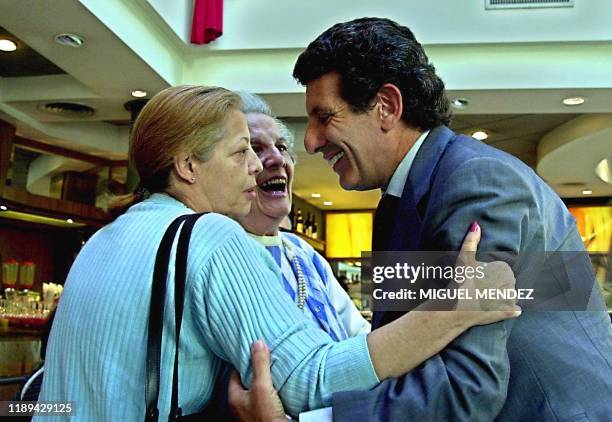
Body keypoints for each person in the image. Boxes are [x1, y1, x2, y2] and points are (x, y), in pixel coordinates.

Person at [35, 85, 519, 421]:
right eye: (241, 150)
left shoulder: (104, 238)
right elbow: (310, 377)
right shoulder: (210, 236)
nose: (260, 164)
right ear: (187, 166)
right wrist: (450, 309)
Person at [235, 17, 612, 421]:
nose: (308, 142)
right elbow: (400, 348)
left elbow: (465, 387)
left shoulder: (478, 181)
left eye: (324, 117)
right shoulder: (402, 197)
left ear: (387, 106)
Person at [236, 91, 369, 340]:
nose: (277, 158)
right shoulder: (221, 256)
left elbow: (360, 336)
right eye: (254, 149)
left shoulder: (303, 253)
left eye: (282, 147)